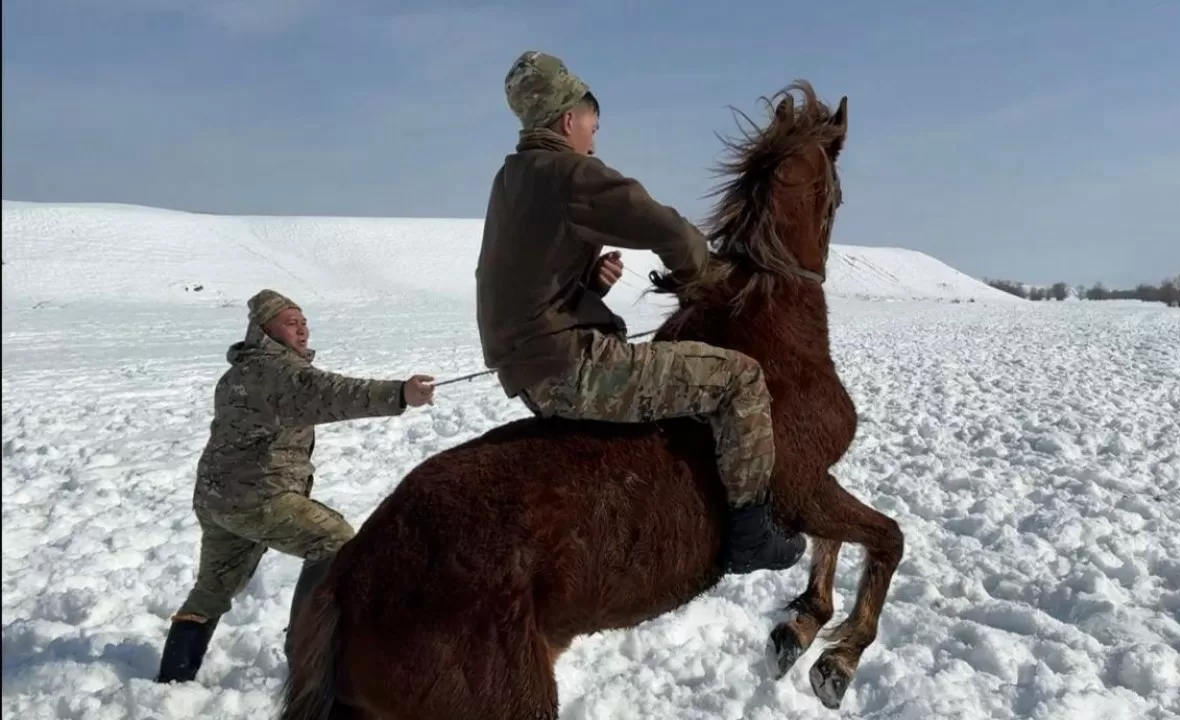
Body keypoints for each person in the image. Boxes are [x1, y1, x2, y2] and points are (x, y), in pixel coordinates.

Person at [474, 50, 806, 576]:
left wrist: (585, 285)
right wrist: (705, 285)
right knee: (740, 379)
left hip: (528, 372)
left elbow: (518, 280)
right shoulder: (567, 171)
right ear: (568, 120)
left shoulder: (511, 178)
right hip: (571, 367)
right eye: (592, 125)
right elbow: (668, 229)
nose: (594, 139)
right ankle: (749, 532)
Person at [155, 289, 436, 684]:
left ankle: (172, 681)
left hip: (219, 498)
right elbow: (327, 394)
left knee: (212, 590)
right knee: (335, 541)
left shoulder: (243, 370)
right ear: (264, 329)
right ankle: (306, 650)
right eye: (291, 322)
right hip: (259, 498)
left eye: (303, 321)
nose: (302, 329)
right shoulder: (275, 372)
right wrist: (398, 394)